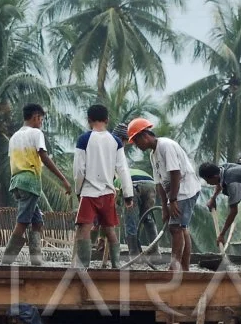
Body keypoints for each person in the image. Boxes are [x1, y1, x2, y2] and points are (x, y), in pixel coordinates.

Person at [128, 119, 202, 273]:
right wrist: (164, 206)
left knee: (175, 227)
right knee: (181, 228)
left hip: (185, 189)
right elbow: (159, 183)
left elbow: (176, 173)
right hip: (175, 193)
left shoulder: (165, 146)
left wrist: (173, 200)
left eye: (136, 141)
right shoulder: (153, 154)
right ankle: (184, 268)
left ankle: (175, 267)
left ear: (144, 136)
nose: (136, 145)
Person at [3, 104, 72, 266]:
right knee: (22, 221)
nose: (41, 122)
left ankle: (36, 260)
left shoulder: (14, 137)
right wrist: (63, 179)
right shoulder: (36, 133)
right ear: (35, 117)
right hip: (30, 182)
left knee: (37, 221)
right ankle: (6, 262)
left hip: (17, 182)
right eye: (41, 119)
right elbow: (43, 156)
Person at [73, 105, 134, 268]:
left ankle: (83, 266)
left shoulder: (84, 139)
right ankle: (116, 265)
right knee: (110, 230)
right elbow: (123, 169)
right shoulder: (115, 141)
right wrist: (128, 194)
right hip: (108, 193)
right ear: (107, 120)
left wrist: (78, 190)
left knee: (85, 228)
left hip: (89, 192)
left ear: (89, 120)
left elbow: (79, 169)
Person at [123, 165, 159, 258]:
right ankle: (155, 253)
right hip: (151, 184)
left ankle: (134, 254)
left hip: (133, 185)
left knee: (130, 220)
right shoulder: (131, 170)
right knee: (148, 218)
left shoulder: (116, 180)